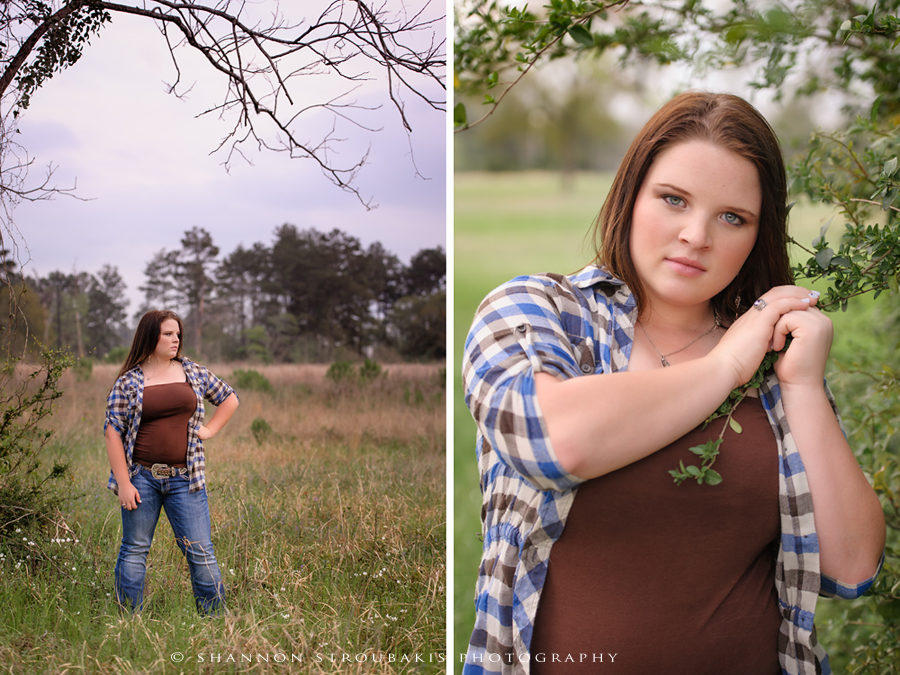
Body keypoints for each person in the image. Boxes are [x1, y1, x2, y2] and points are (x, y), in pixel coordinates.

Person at [461, 92, 885, 674]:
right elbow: (552, 443)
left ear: (758, 236)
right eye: (673, 200)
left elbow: (853, 566)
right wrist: (723, 367)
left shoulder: (775, 361)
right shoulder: (538, 311)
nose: (696, 235)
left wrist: (804, 387)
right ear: (631, 196)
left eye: (732, 217)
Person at [105, 309, 239, 614]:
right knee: (135, 549)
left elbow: (229, 398)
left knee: (200, 551)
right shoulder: (129, 381)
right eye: (168, 333)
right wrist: (124, 483)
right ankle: (128, 619)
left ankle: (215, 620)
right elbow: (112, 432)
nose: (175, 339)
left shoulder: (193, 372)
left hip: (185, 479)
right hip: (141, 478)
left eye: (177, 333)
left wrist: (210, 430)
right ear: (150, 336)